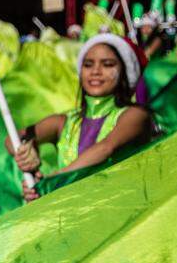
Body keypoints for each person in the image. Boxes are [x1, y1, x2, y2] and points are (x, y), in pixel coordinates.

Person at [10, 34, 152, 202]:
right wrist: (27, 150)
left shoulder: (136, 115)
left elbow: (106, 148)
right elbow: (12, 139)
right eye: (88, 64)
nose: (95, 71)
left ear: (124, 72)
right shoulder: (63, 122)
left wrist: (53, 183)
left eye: (107, 64)